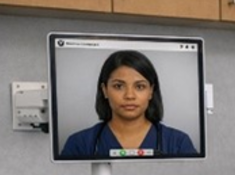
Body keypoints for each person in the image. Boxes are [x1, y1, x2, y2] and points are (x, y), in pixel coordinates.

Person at [61, 50, 196, 157]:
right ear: (105, 90)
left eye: (139, 87)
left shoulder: (178, 142)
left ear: (151, 91)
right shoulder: (79, 143)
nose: (129, 96)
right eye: (119, 86)